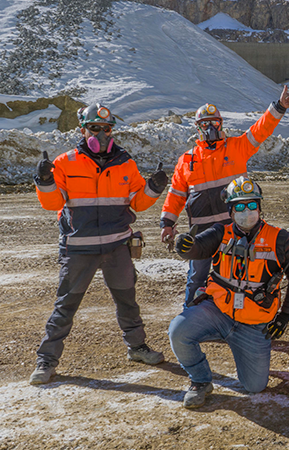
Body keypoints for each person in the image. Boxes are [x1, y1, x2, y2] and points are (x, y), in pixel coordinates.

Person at [30, 103, 169, 385]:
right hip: (79, 249)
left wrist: (154, 187)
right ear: (83, 130)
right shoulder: (65, 162)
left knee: (127, 301)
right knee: (66, 305)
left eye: (106, 128)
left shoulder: (126, 164)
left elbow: (138, 204)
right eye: (95, 128)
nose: (102, 133)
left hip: (117, 247)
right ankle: (46, 361)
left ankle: (137, 348)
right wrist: (44, 180)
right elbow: (53, 203)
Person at [168, 176, 289, 408]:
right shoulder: (219, 233)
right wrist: (186, 246)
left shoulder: (281, 239)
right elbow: (197, 247)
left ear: (260, 208)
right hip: (218, 311)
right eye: (240, 207)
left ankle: (244, 349)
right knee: (178, 331)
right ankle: (200, 381)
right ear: (230, 211)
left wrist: (285, 315)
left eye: (252, 205)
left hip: (253, 322)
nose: (247, 211)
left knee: (255, 386)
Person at [160, 86, 289, 307]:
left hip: (233, 230)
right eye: (205, 124)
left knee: (238, 277)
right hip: (202, 233)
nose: (210, 127)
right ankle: (190, 318)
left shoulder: (237, 148)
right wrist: (167, 223)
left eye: (214, 122)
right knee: (197, 278)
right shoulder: (187, 160)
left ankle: (236, 318)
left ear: (221, 124)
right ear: (198, 128)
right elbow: (175, 194)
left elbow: (261, 130)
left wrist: (279, 107)